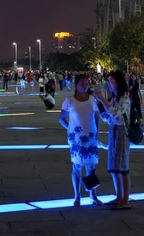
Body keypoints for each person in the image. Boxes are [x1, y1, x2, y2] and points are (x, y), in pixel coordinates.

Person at [59, 74, 102, 207]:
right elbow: (61, 118)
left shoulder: (92, 100)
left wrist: (96, 133)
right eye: (82, 83)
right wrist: (70, 130)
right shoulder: (69, 101)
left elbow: (97, 117)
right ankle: (77, 196)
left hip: (90, 138)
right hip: (76, 140)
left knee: (91, 168)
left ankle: (93, 194)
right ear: (76, 85)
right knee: (76, 167)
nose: (85, 85)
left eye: (86, 83)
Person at [94, 70, 131, 210]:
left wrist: (103, 100)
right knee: (114, 168)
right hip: (113, 132)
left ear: (118, 82)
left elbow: (116, 113)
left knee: (123, 168)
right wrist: (100, 103)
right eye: (109, 81)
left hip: (122, 133)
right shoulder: (114, 99)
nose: (109, 84)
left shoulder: (125, 99)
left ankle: (125, 200)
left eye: (111, 81)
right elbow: (108, 117)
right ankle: (118, 196)